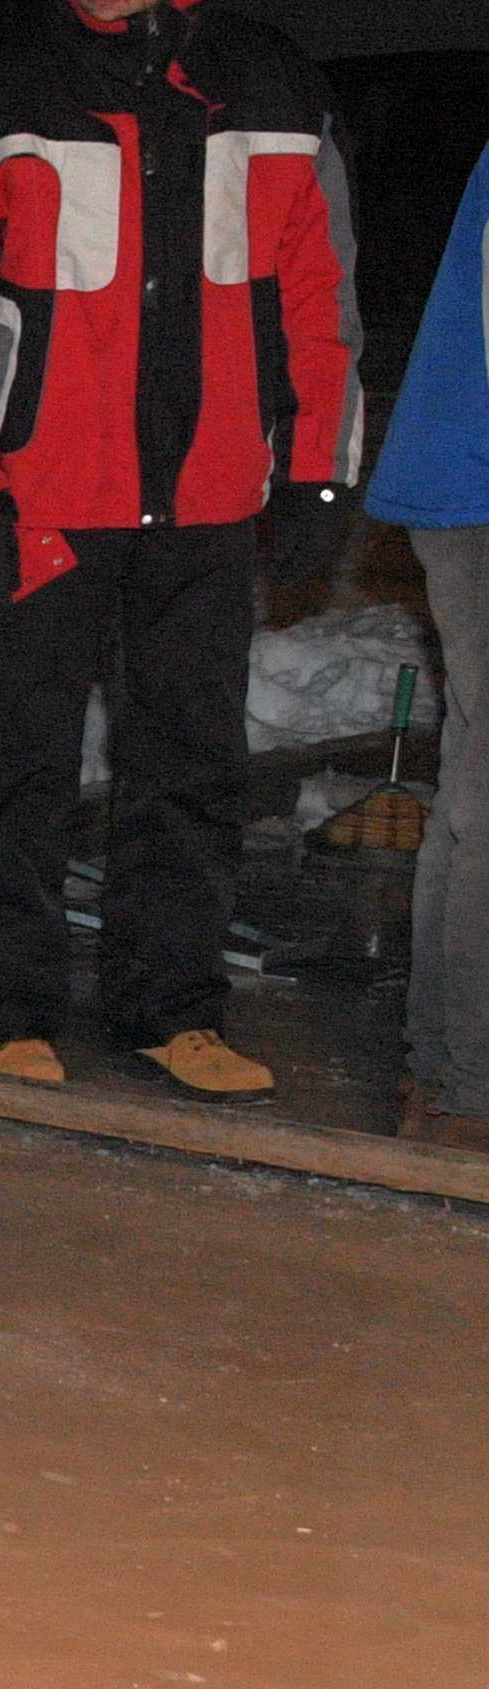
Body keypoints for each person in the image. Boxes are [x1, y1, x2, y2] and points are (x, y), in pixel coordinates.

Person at [0, 0, 362, 1101]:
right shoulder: (3, 99)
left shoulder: (274, 94)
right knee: (20, 765)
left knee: (191, 766)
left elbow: (323, 307)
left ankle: (170, 1007)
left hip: (208, 502)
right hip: (45, 500)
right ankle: (1, 1004)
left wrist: (317, 474)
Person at [370, 134, 489, 1149]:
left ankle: (447, 1073)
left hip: (463, 479)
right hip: (476, 489)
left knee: (472, 794)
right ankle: (465, 1087)